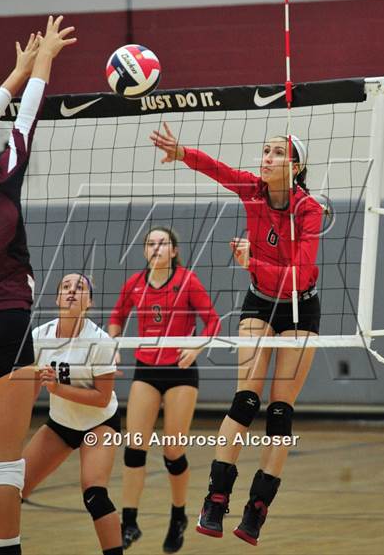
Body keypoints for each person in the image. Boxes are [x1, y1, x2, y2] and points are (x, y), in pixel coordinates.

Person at [150, 124, 323, 545]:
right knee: (246, 399)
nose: (265, 158)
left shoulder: (309, 209)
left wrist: (252, 263)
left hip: (301, 306)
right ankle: (215, 499)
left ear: (295, 166)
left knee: (280, 411)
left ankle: (257, 508)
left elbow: (299, 276)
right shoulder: (252, 190)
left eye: (277, 153)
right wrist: (182, 152)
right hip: (260, 301)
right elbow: (218, 169)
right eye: (264, 150)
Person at [0, 16, 76, 555]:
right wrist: (39, 67)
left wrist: (17, 73)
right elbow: (27, 122)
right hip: (8, 325)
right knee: (5, 460)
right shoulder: (4, 182)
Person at [0, 273, 123, 555]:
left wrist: (58, 389)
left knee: (95, 494)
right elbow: (30, 390)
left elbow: (102, 398)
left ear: (89, 302)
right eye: (66, 287)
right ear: (58, 298)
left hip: (100, 423)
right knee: (12, 489)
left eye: (80, 287)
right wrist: (6, 438)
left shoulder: (100, 341)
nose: (72, 291)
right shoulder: (39, 336)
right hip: (60, 424)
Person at [108, 226, 221, 553]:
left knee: (172, 450)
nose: (156, 248)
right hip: (147, 369)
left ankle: (178, 516)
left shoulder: (187, 280)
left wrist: (197, 347)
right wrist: (113, 345)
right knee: (134, 448)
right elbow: (116, 316)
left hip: (180, 372)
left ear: (173, 251)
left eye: (163, 243)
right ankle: (129, 522)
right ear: (145, 251)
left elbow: (213, 321)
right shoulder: (135, 284)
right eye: (150, 243)